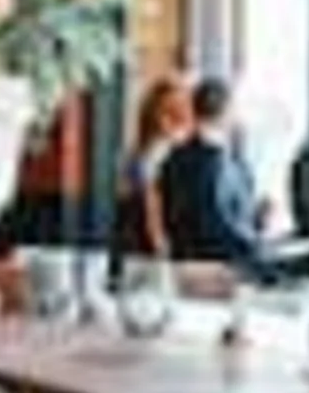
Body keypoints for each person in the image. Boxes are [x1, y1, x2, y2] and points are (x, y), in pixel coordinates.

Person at [152, 76, 272, 276]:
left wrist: (256, 220)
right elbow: (217, 225)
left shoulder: (174, 159)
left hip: (182, 267)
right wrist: (256, 244)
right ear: (227, 112)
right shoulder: (218, 164)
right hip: (218, 273)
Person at [115, 75, 193, 258]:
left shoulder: (175, 151)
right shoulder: (152, 154)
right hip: (147, 249)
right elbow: (150, 206)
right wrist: (161, 246)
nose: (177, 117)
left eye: (180, 109)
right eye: (168, 111)